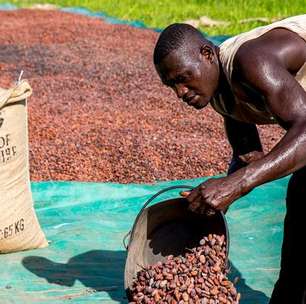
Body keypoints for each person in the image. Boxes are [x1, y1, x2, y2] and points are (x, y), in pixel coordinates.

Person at [153, 15, 306, 303]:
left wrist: (235, 185)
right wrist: (212, 201)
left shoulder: (252, 62)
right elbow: (249, 158)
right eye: (171, 86)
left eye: (183, 78)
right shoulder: (220, 96)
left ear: (207, 54)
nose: (180, 93)